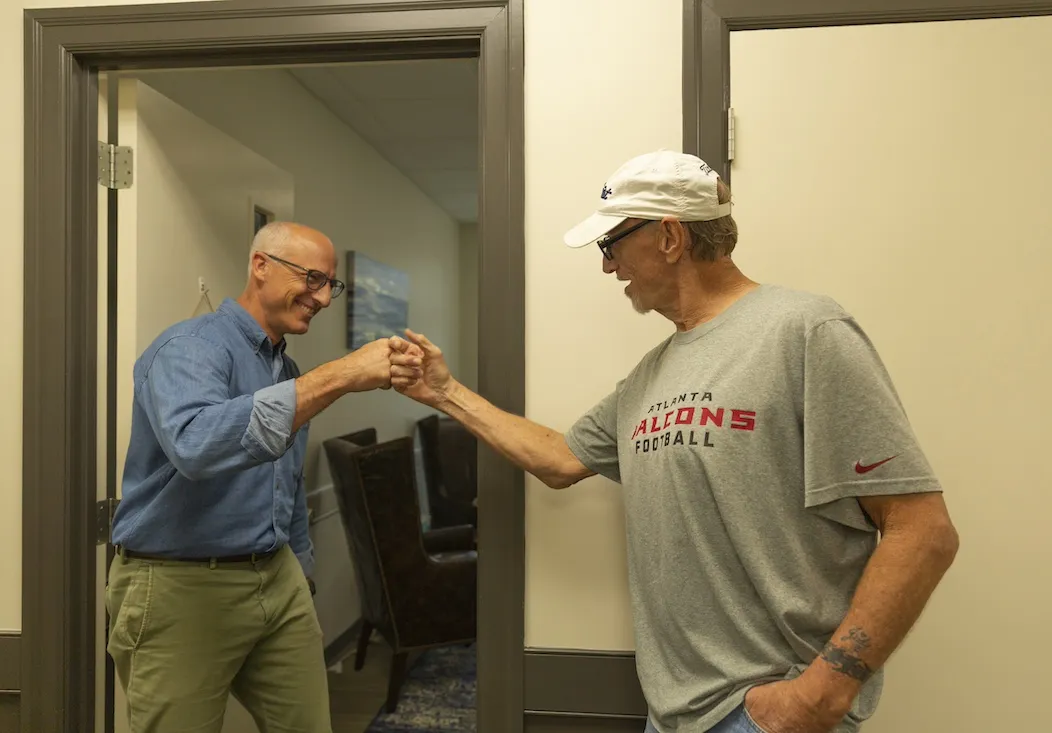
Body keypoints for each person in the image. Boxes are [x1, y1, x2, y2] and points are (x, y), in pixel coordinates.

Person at [391, 150, 960, 733]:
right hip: (673, 714)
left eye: (611, 244)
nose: (608, 266)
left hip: (766, 712)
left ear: (669, 237)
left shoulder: (806, 330)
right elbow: (559, 459)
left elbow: (922, 532)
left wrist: (822, 694)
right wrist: (445, 392)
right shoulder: (652, 373)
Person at [107, 221, 423, 732]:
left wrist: (300, 570)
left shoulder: (286, 371)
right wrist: (341, 374)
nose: (323, 298)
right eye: (313, 279)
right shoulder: (190, 347)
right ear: (261, 266)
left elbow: (286, 482)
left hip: (277, 579)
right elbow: (195, 445)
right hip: (181, 587)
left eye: (331, 285)